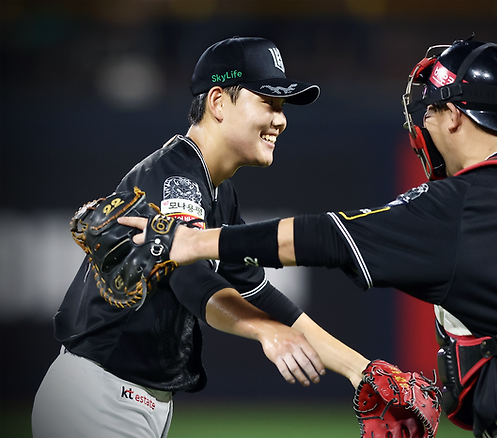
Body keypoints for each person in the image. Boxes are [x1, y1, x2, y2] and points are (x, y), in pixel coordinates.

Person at [122, 38, 497, 437]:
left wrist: (196, 242)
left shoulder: (462, 202)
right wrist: (357, 368)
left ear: (454, 116)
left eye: (431, 108)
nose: (423, 121)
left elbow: (323, 238)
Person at [32, 36, 370, 438]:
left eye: (282, 106)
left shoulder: (218, 192)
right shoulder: (177, 179)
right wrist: (263, 330)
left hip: (121, 400)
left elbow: (260, 293)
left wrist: (362, 371)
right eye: (268, 101)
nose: (281, 119)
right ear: (218, 102)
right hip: (97, 400)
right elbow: (188, 275)